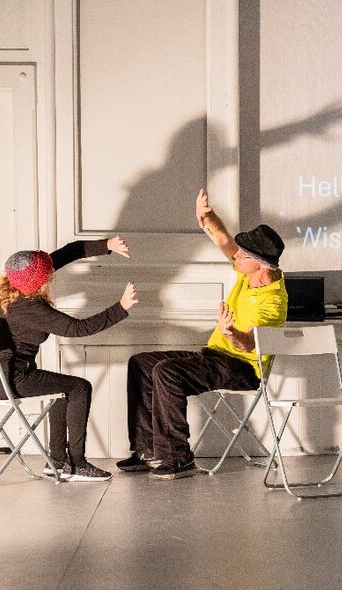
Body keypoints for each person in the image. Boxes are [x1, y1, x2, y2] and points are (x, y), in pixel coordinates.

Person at [117, 189, 288, 481]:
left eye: (243, 256)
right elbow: (224, 241)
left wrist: (231, 332)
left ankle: (178, 457)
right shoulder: (247, 274)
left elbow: (252, 344)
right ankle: (148, 450)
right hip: (215, 357)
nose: (236, 257)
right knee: (141, 362)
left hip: (244, 367)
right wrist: (208, 217)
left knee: (168, 372)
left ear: (258, 262)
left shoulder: (272, 301)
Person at [0, 238, 138, 481]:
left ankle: (57, 462)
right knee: (79, 387)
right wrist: (121, 307)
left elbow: (64, 254)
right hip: (6, 378)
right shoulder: (28, 308)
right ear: (38, 282)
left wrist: (107, 245)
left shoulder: (11, 290)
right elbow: (78, 329)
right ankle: (76, 464)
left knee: (61, 391)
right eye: (46, 273)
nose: (51, 273)